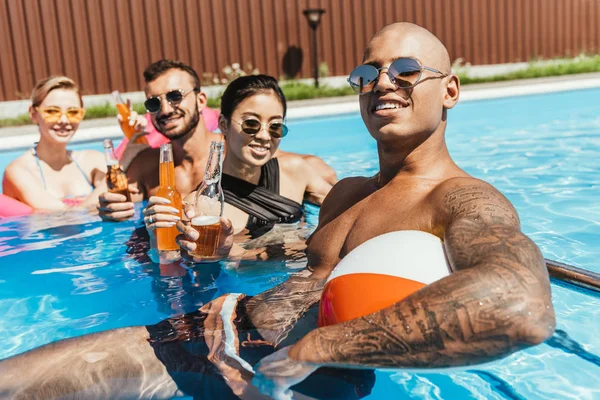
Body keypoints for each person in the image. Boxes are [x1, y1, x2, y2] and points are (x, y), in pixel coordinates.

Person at [0, 23, 555, 399]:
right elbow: (301, 271)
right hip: (214, 328)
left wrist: (317, 348)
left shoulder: (461, 197)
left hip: (288, 375)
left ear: (451, 90)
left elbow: (519, 306)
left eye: (406, 71)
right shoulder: (347, 194)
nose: (382, 82)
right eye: (367, 74)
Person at [97, 59, 337, 222]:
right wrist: (109, 208)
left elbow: (281, 159)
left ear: (201, 100)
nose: (165, 109)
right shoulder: (149, 164)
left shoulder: (236, 148)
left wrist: (313, 171)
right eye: (153, 103)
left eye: (175, 96)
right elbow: (96, 205)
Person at [144, 74, 332, 240]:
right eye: (251, 124)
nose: (265, 136)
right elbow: (183, 268)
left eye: (275, 126)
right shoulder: (201, 205)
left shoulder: (295, 170)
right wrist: (156, 238)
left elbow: (344, 207)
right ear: (223, 125)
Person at [2, 76, 107, 210]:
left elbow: (118, 184)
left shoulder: (92, 160)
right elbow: (64, 218)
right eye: (52, 111)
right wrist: (109, 182)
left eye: (73, 112)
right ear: (34, 114)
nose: (64, 120)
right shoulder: (18, 171)